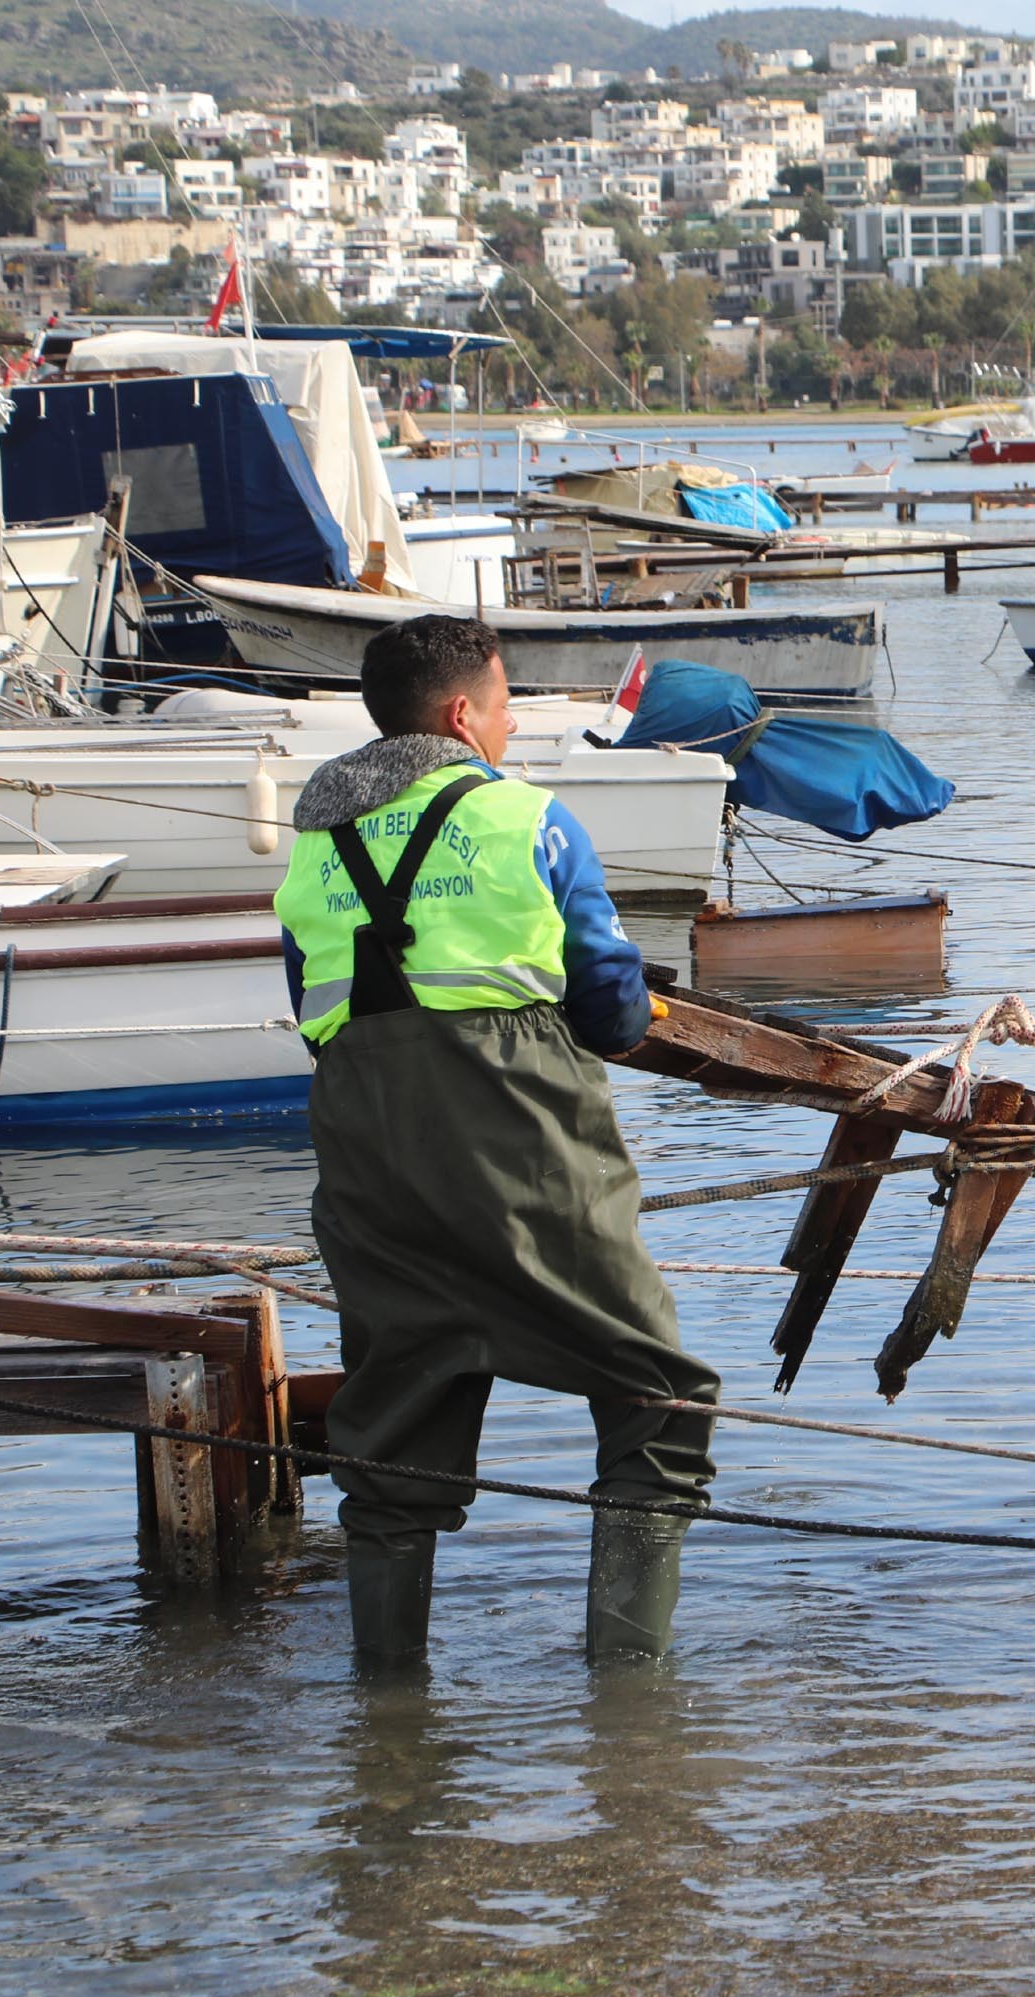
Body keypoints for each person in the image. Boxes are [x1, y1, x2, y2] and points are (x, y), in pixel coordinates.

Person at [276, 614, 719, 1667]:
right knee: (657, 1390)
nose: (514, 724)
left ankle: (388, 1710)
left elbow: (309, 998)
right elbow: (611, 1001)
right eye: (508, 702)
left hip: (365, 1139)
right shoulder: (528, 819)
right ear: (463, 713)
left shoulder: (315, 846)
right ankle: (629, 1701)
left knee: (394, 1422)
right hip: (516, 1123)